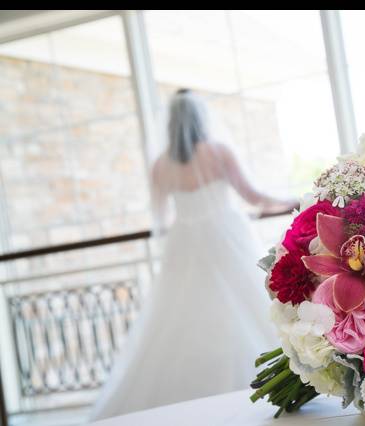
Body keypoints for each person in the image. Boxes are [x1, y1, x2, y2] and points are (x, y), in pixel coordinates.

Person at [89, 89, 296, 420]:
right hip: (224, 236)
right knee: (247, 306)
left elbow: (159, 217)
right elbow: (254, 197)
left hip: (183, 242)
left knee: (180, 319)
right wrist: (292, 200)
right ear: (202, 118)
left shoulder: (160, 165)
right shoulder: (218, 152)